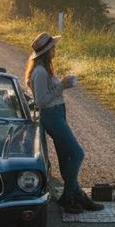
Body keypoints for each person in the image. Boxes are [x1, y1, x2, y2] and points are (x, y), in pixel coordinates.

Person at [25, 32, 102, 214]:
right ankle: (69, 196)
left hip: (58, 112)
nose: (55, 50)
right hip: (51, 114)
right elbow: (41, 101)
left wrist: (61, 85)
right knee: (77, 154)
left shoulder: (45, 69)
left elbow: (48, 93)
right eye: (53, 48)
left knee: (65, 156)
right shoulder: (40, 72)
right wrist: (63, 86)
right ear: (46, 51)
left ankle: (77, 196)